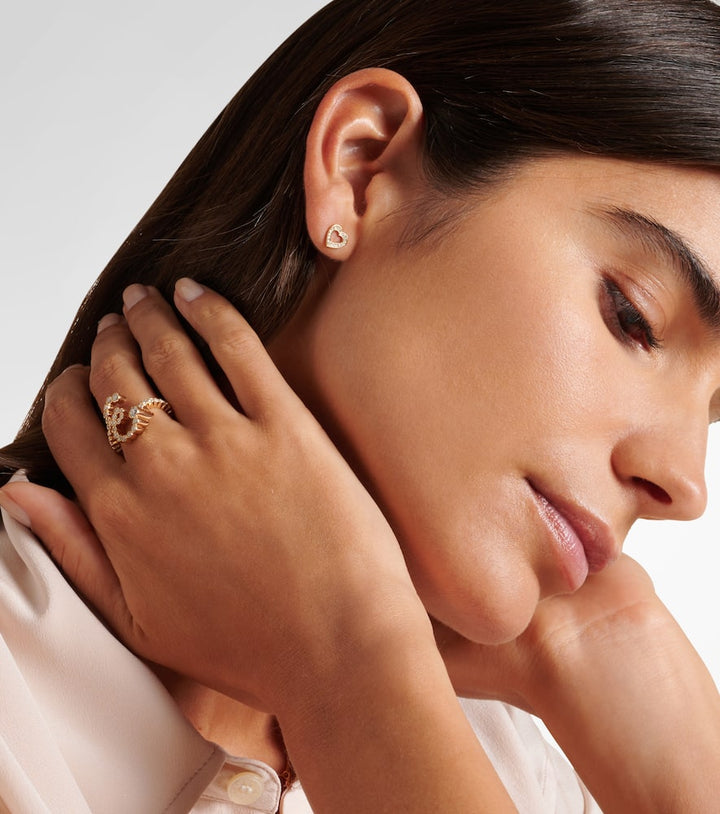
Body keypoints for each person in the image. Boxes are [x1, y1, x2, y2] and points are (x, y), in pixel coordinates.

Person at [2, 0, 720, 811]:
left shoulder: (529, 772)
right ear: (360, 167)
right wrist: (343, 660)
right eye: (634, 317)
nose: (686, 480)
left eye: (714, 411)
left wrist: (664, 736)